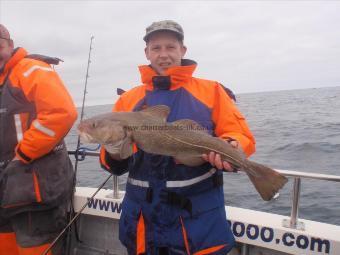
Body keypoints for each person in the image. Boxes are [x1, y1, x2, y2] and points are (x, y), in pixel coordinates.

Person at [100, 20, 256, 255]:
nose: (164, 54)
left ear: (183, 50)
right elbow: (113, 164)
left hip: (198, 223)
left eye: (170, 47)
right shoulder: (128, 100)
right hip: (143, 223)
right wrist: (113, 147)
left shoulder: (212, 91)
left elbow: (240, 134)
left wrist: (232, 145)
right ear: (147, 53)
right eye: (156, 48)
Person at [0, 24, 77, 255]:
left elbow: (61, 113)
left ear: (10, 45)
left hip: (34, 192)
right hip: (6, 191)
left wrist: (23, 153)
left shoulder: (31, 69)